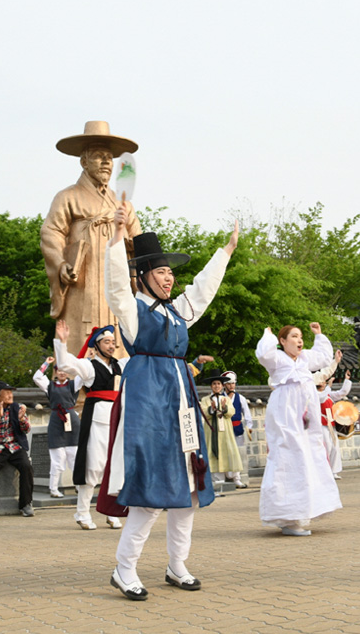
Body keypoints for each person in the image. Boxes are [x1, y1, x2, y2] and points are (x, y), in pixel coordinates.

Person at [97, 213, 239, 601]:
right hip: (147, 404)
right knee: (149, 491)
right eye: (159, 271)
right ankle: (124, 568)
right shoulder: (132, 310)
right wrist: (115, 237)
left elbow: (202, 291)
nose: (168, 277)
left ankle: (177, 565)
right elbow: (113, 284)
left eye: (169, 272)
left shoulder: (177, 312)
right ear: (142, 276)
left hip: (183, 407)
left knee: (190, 489)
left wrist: (224, 253)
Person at [41, 121, 143, 357]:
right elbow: (51, 233)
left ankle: (118, 388)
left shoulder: (122, 203)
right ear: (84, 161)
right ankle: (75, 390)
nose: (106, 162)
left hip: (115, 280)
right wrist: (60, 263)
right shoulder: (67, 197)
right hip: (82, 282)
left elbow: (139, 239)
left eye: (109, 157)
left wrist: (132, 245)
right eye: (99, 156)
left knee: (119, 329)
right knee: (79, 335)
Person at [255, 323, 342, 536]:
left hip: (306, 413)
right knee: (287, 456)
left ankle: (303, 512)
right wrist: (269, 336)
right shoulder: (276, 358)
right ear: (283, 341)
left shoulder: (305, 359)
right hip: (285, 411)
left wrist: (319, 335)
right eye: (294, 336)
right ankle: (287, 516)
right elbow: (263, 354)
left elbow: (323, 357)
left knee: (309, 456)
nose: (299, 340)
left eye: (300, 336)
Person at [53, 319, 123, 531]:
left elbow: (142, 361)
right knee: (93, 466)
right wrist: (62, 342)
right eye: (107, 341)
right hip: (97, 420)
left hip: (117, 418)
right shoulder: (90, 366)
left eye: (113, 342)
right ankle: (82, 512)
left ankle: (111, 511)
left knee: (115, 466)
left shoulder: (121, 365)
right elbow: (65, 364)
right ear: (97, 345)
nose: (111, 345)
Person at [0, 381, 35, 519]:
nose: (10, 395)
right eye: (7, 392)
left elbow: (26, 429)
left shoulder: (18, 408)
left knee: (26, 466)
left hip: (15, 446)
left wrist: (22, 418)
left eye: (11, 392)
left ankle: (26, 504)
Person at [32, 354, 81, 499]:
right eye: (59, 370)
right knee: (57, 458)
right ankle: (53, 489)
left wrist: (88, 360)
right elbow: (36, 377)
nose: (62, 372)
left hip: (71, 420)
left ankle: (79, 486)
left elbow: (85, 376)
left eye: (64, 370)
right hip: (56, 421)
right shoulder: (50, 386)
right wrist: (46, 363)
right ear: (55, 372)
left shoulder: (73, 384)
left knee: (74, 456)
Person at [200, 373, 243, 493]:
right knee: (213, 454)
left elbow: (232, 412)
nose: (216, 386)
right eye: (214, 384)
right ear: (211, 386)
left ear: (222, 386)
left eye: (218, 383)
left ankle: (235, 477)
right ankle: (216, 483)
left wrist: (224, 408)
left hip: (226, 432)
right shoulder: (205, 399)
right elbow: (204, 412)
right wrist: (212, 409)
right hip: (211, 431)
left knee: (230, 452)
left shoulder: (227, 399)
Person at [315, 357, 351, 480]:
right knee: (327, 447)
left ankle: (334, 470)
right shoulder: (315, 394)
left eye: (324, 382)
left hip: (330, 424)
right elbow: (322, 398)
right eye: (322, 382)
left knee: (335, 447)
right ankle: (324, 471)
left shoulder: (328, 394)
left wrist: (346, 380)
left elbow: (342, 393)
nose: (323, 383)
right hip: (321, 424)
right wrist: (328, 387)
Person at [222, 372, 252, 487]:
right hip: (224, 429)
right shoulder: (220, 398)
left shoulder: (241, 398)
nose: (232, 386)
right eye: (229, 384)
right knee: (225, 453)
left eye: (233, 383)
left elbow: (247, 415)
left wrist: (249, 427)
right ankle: (225, 477)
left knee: (237, 453)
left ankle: (237, 478)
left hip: (237, 428)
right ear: (225, 385)